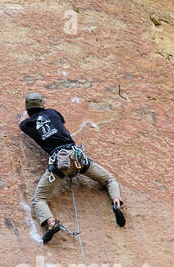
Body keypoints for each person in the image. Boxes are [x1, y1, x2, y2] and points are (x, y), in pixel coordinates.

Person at [17, 92, 125, 244]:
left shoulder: (28, 124)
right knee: (109, 180)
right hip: (78, 158)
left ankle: (52, 223)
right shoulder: (53, 112)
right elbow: (66, 131)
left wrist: (24, 115)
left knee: (39, 199)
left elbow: (21, 121)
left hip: (60, 164)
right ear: (43, 104)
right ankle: (116, 203)